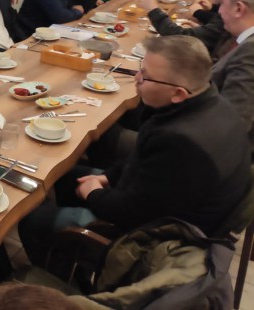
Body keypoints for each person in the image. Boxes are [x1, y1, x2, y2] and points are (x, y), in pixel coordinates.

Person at [19, 35, 250, 266]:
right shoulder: (215, 104)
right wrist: (107, 177)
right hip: (163, 205)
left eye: (146, 76)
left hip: (154, 241)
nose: (137, 79)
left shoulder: (181, 143)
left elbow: (132, 212)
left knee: (32, 219)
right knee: (63, 176)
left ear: (178, 93)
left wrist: (93, 193)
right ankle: (69, 255)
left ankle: (64, 277)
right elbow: (142, 160)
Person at [138, 0, 245, 61]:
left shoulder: (229, 19)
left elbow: (181, 38)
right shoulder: (231, 19)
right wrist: (204, 30)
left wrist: (153, 10)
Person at [211, 0, 254, 153]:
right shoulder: (244, 42)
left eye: (222, 3)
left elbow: (232, 124)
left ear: (238, 8)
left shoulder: (249, 51)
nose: (219, 10)